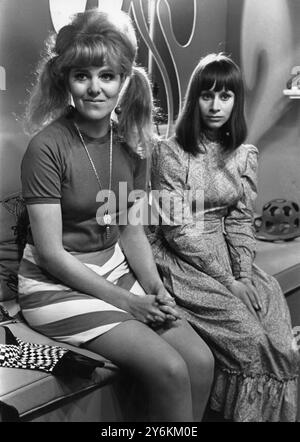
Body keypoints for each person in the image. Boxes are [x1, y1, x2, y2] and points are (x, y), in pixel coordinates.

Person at [17, 9, 214, 422]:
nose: (94, 88)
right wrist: (128, 302)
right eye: (81, 75)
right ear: (65, 80)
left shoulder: (133, 142)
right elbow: (52, 255)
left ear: (124, 82)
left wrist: (155, 288)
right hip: (54, 285)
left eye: (107, 76)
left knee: (199, 360)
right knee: (170, 368)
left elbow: (130, 228)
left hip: (114, 269)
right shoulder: (46, 148)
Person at [149, 53, 299, 422]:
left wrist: (245, 276)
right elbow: (177, 230)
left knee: (279, 337)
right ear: (194, 99)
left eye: (226, 96)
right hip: (183, 260)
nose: (216, 106)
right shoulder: (169, 152)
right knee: (251, 338)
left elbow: (241, 220)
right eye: (207, 95)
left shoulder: (244, 155)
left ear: (236, 102)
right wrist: (228, 282)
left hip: (231, 261)